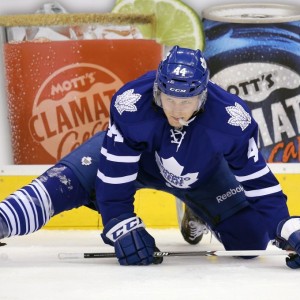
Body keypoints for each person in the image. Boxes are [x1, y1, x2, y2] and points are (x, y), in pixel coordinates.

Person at [0, 46, 300, 268]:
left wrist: (287, 227)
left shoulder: (232, 119)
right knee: (61, 184)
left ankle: (195, 209)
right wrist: (120, 224)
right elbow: (114, 178)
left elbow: (258, 181)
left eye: (187, 101)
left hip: (202, 176)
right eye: (170, 99)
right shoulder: (131, 103)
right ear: (158, 90)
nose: (177, 110)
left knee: (250, 241)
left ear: (203, 95)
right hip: (139, 164)